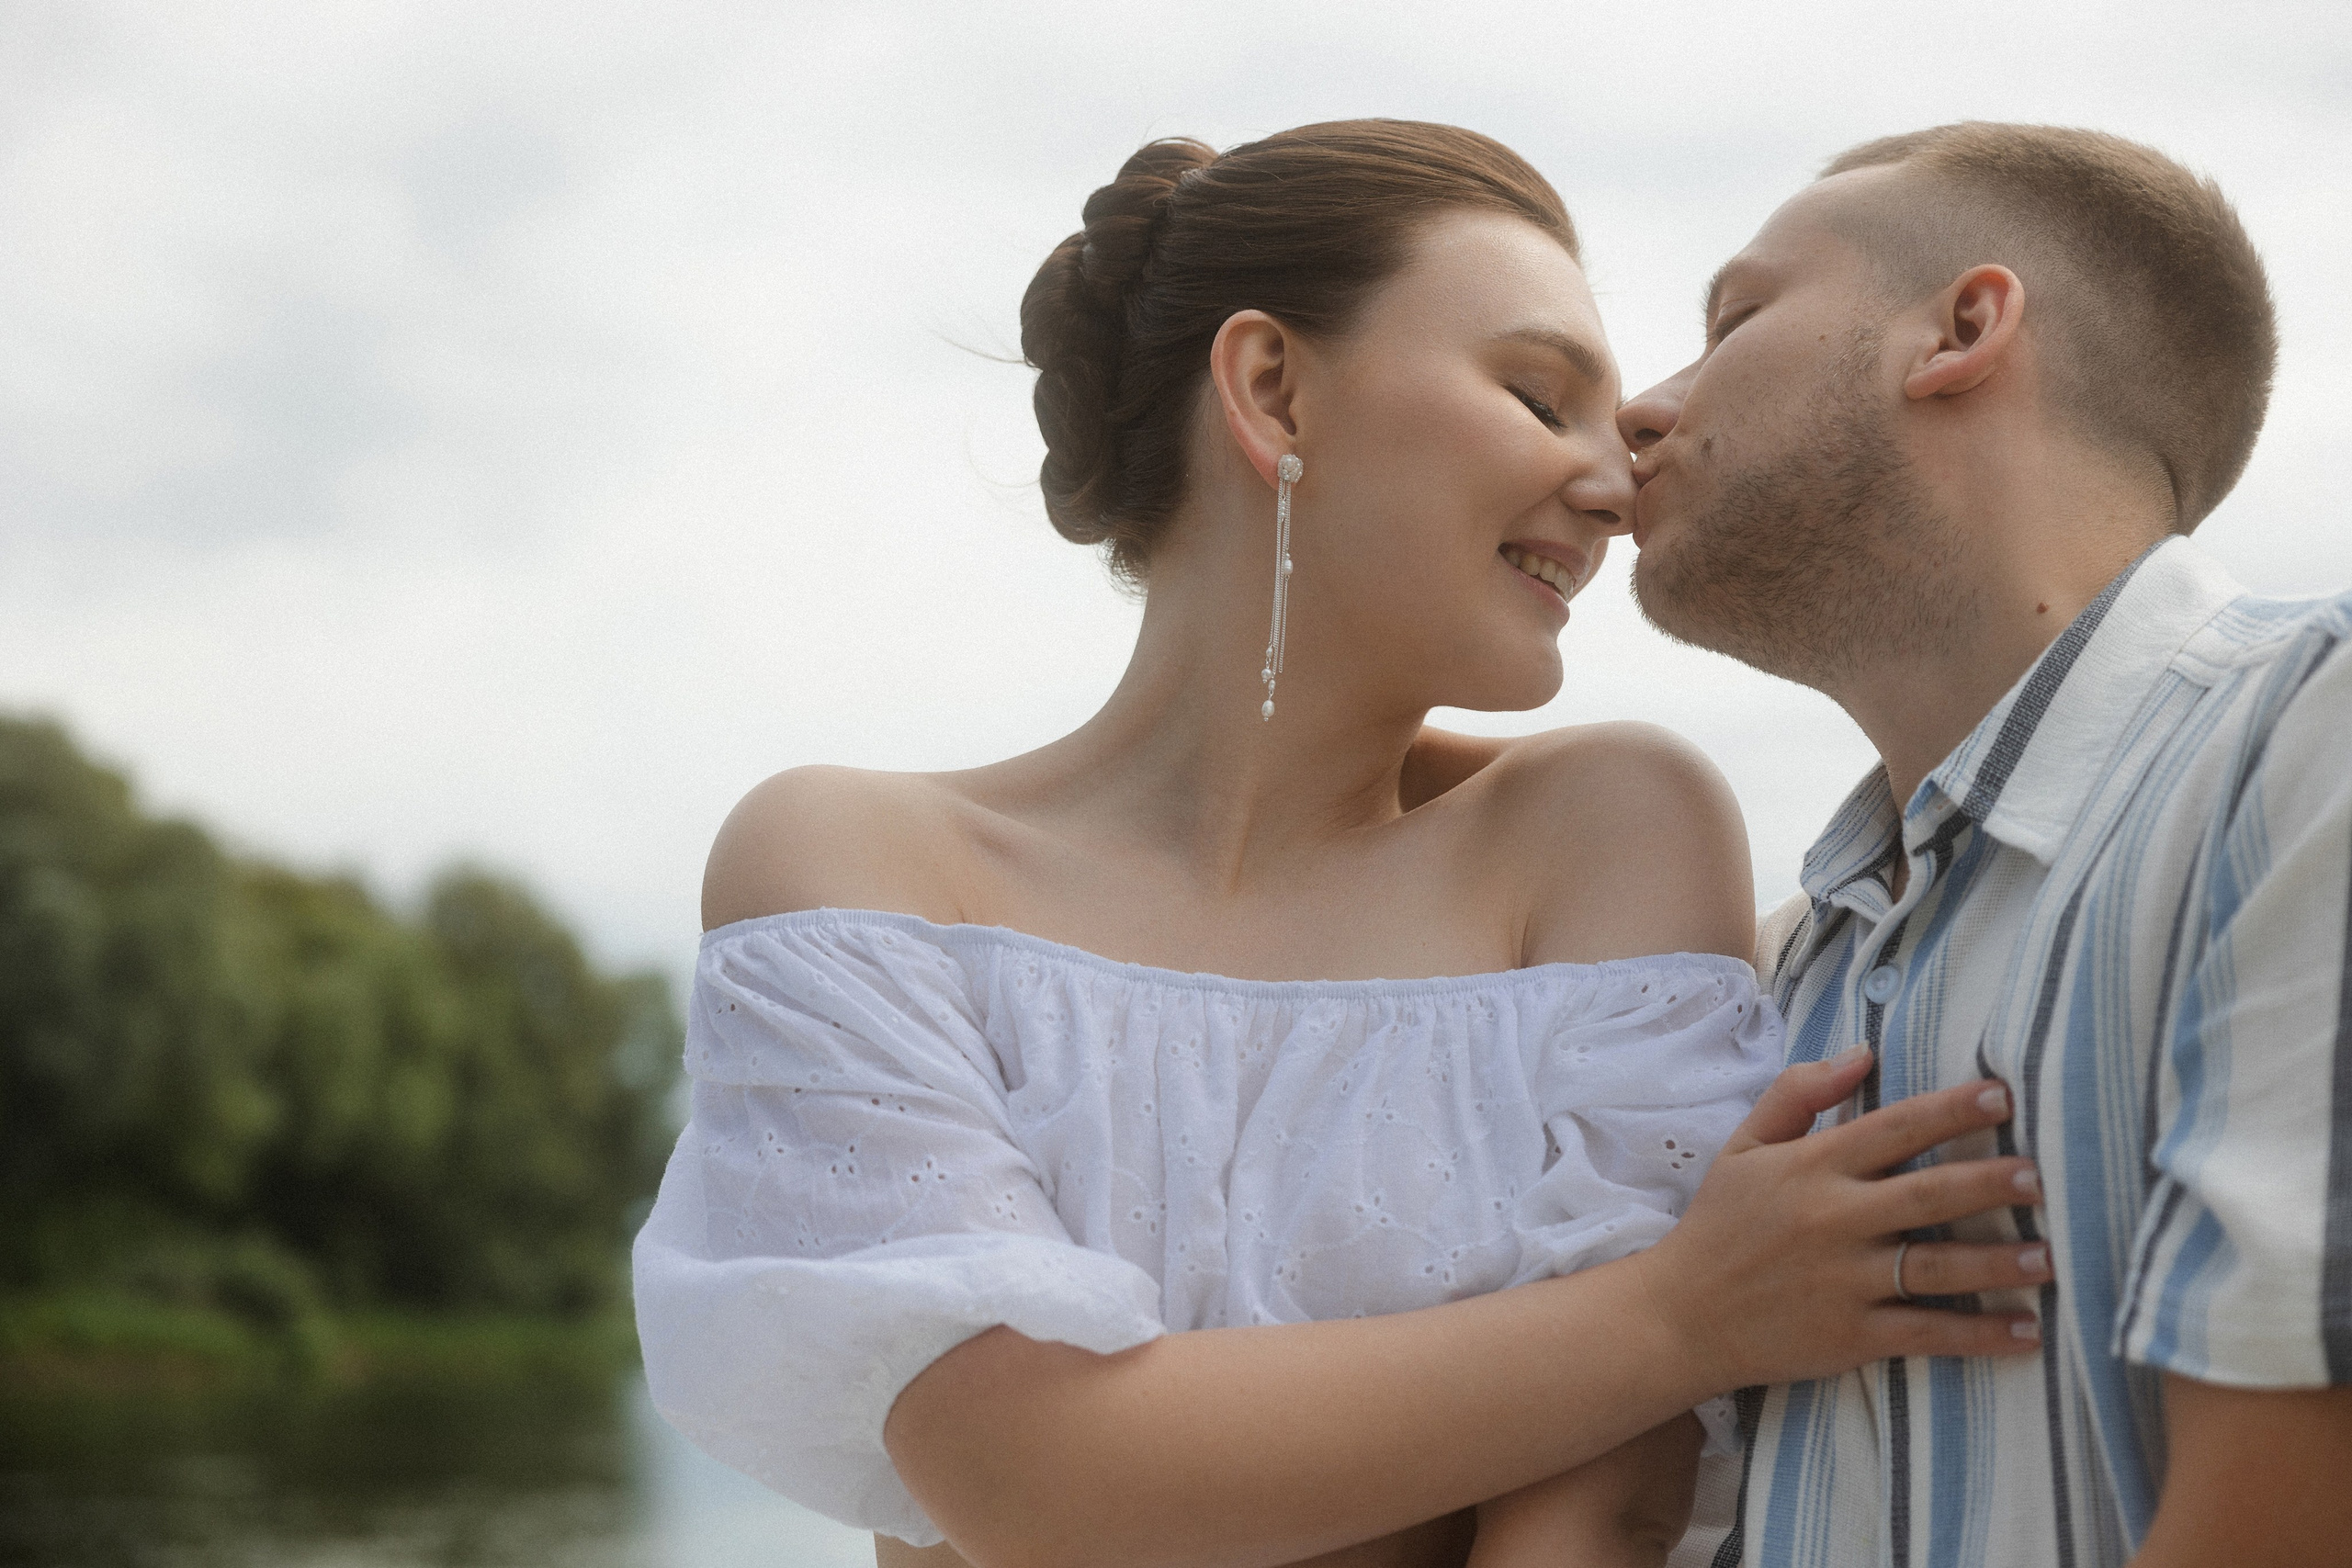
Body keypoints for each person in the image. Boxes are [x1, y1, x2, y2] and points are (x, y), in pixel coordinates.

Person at [632, 120, 2047, 1568]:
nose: (1615, 491)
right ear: (1269, 391)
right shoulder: (856, 871)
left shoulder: (1610, 827)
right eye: (1539, 394)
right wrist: (1681, 1313)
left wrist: (1666, 1342)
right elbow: (1028, 1469)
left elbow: (1602, 1504)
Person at [1614, 121, 2352, 1568]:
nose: (1643, 410)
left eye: (1733, 319)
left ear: (1963, 328)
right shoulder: (1797, 956)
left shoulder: (2310, 736)